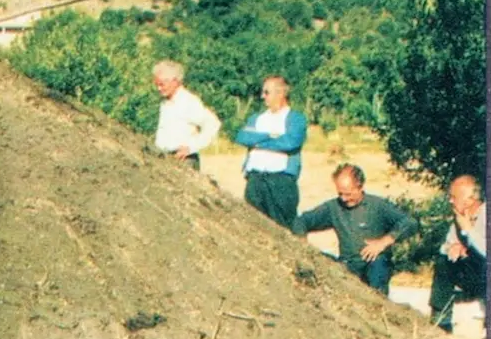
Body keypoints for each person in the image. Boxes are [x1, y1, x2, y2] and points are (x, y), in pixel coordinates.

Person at [291, 164, 418, 295]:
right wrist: (302, 245)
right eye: (340, 193)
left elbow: (410, 222)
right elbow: (302, 221)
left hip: (374, 265)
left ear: (360, 186)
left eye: (348, 194)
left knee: (379, 265)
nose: (344, 199)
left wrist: (384, 242)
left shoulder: (377, 206)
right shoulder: (334, 207)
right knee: (319, 259)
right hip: (347, 265)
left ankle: (377, 300)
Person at [234, 76, 307, 228]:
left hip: (280, 181)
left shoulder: (296, 118)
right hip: (255, 180)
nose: (262, 96)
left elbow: (290, 142)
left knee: (283, 229)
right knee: (253, 227)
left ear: (280, 94)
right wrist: (270, 136)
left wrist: (257, 140)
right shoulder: (257, 118)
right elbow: (242, 136)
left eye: (266, 92)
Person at [429, 175, 488, 333]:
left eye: (454, 197)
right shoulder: (459, 217)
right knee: (443, 262)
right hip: (474, 275)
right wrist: (453, 247)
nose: (450, 201)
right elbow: (445, 247)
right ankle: (441, 321)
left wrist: (468, 232)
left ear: (470, 200)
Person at [152, 60, 221, 171]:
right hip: (164, 158)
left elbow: (213, 123)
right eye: (157, 84)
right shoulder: (165, 102)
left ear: (174, 81)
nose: (158, 88)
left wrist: (191, 147)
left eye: (162, 84)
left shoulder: (188, 101)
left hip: (184, 160)